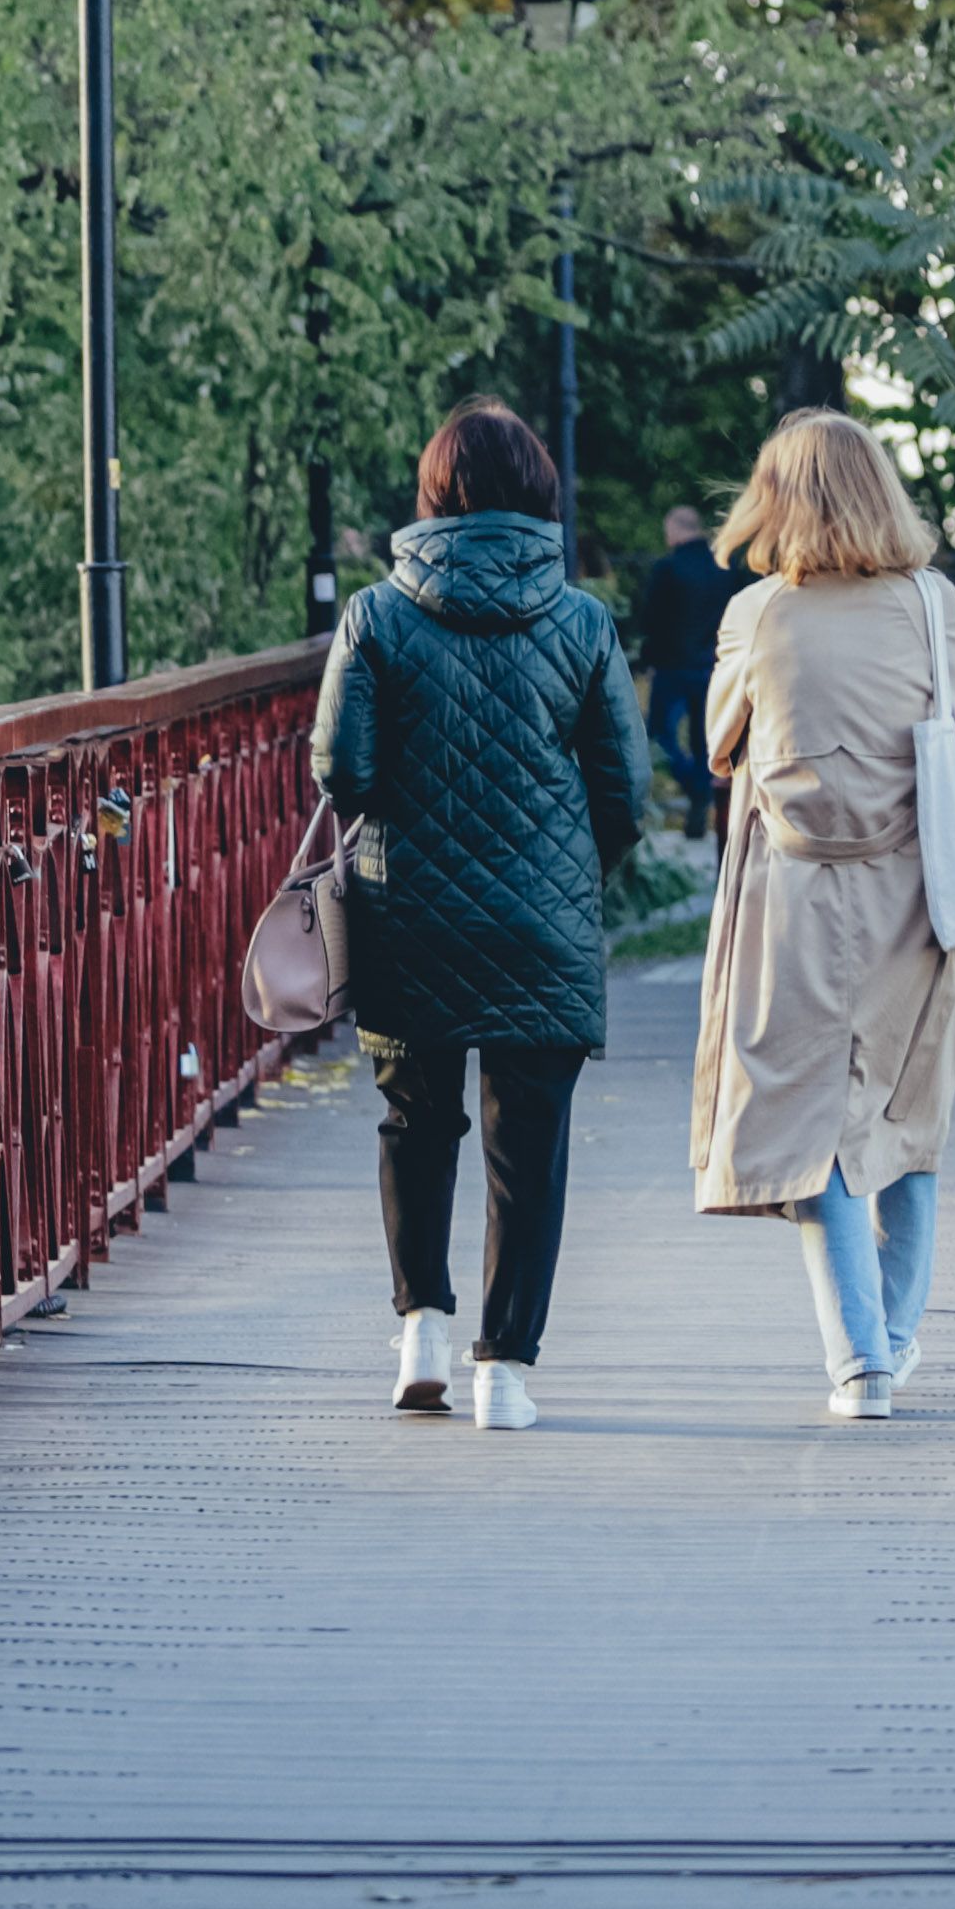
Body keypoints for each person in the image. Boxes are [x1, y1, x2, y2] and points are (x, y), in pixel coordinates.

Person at [312, 399, 641, 1430]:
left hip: (405, 907)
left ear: (433, 493)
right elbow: (626, 792)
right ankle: (504, 1372)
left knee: (416, 1120)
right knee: (527, 1144)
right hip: (542, 921)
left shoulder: (375, 615)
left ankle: (421, 1330)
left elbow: (341, 769)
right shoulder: (582, 620)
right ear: (538, 491)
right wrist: (568, 872)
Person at [683, 410, 955, 1422]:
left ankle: (859, 1364)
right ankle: (892, 1329)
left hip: (796, 898)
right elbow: (953, 726)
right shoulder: (932, 603)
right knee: (904, 1113)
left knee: (816, 1124)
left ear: (775, 500)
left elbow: (719, 742)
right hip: (914, 894)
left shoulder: (757, 614)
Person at [634, 501, 747, 837]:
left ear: (675, 529)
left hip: (673, 668)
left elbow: (652, 620)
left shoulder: (668, 568)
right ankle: (702, 793)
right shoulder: (725, 568)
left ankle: (697, 789)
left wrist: (648, 660)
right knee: (704, 743)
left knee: (659, 736)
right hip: (714, 667)